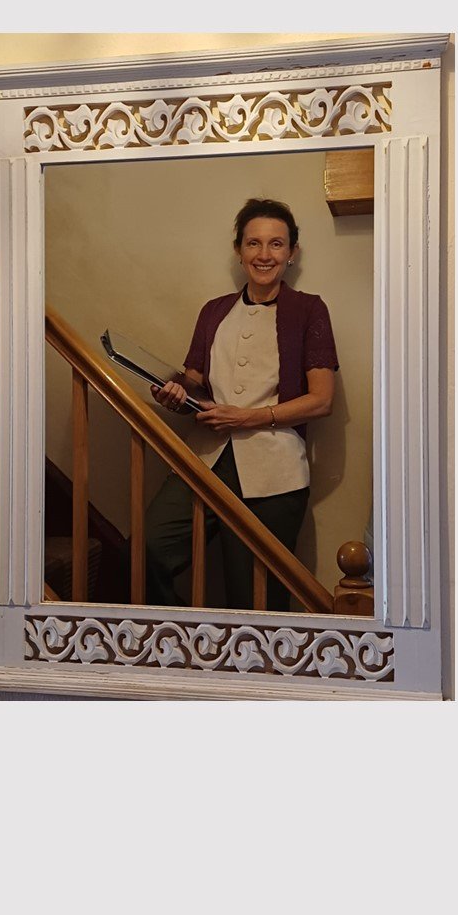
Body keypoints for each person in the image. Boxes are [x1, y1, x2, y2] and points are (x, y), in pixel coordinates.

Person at [145, 196, 339, 611]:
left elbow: (321, 400)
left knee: (253, 595)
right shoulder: (214, 310)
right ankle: (170, 642)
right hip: (206, 459)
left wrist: (249, 417)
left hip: (276, 472)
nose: (264, 254)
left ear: (291, 252)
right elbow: (194, 382)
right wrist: (174, 394)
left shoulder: (309, 309)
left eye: (276, 244)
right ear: (239, 250)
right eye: (253, 243)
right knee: (151, 545)